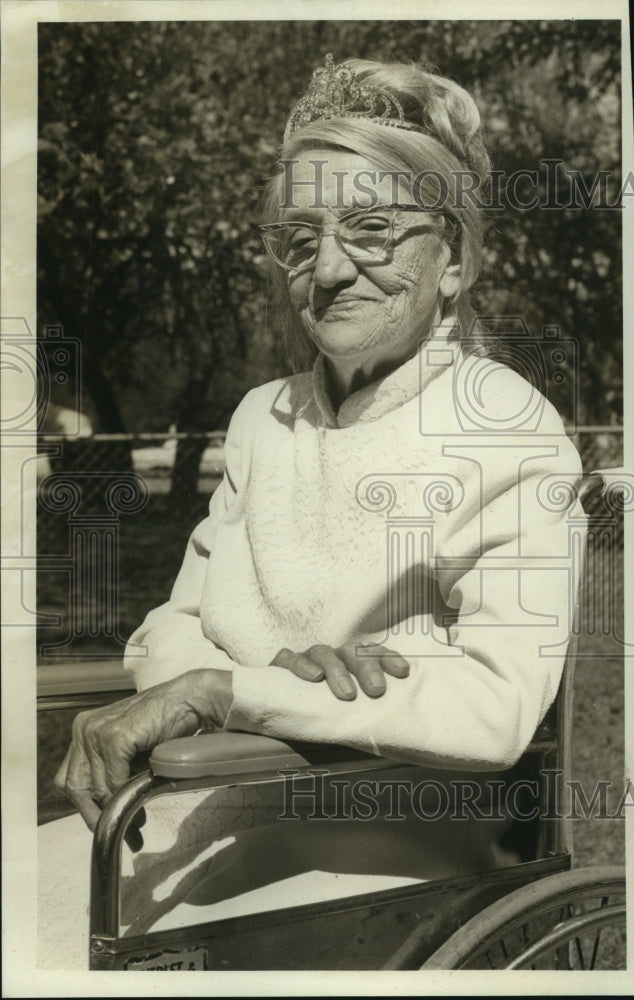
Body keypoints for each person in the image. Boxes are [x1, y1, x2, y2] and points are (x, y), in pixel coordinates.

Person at [41, 54, 585, 965]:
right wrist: (222, 695)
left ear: (452, 259)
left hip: (400, 850)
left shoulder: (510, 432)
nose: (328, 268)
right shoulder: (264, 417)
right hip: (220, 803)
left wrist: (231, 691)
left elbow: (496, 705)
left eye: (372, 229)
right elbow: (170, 626)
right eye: (300, 237)